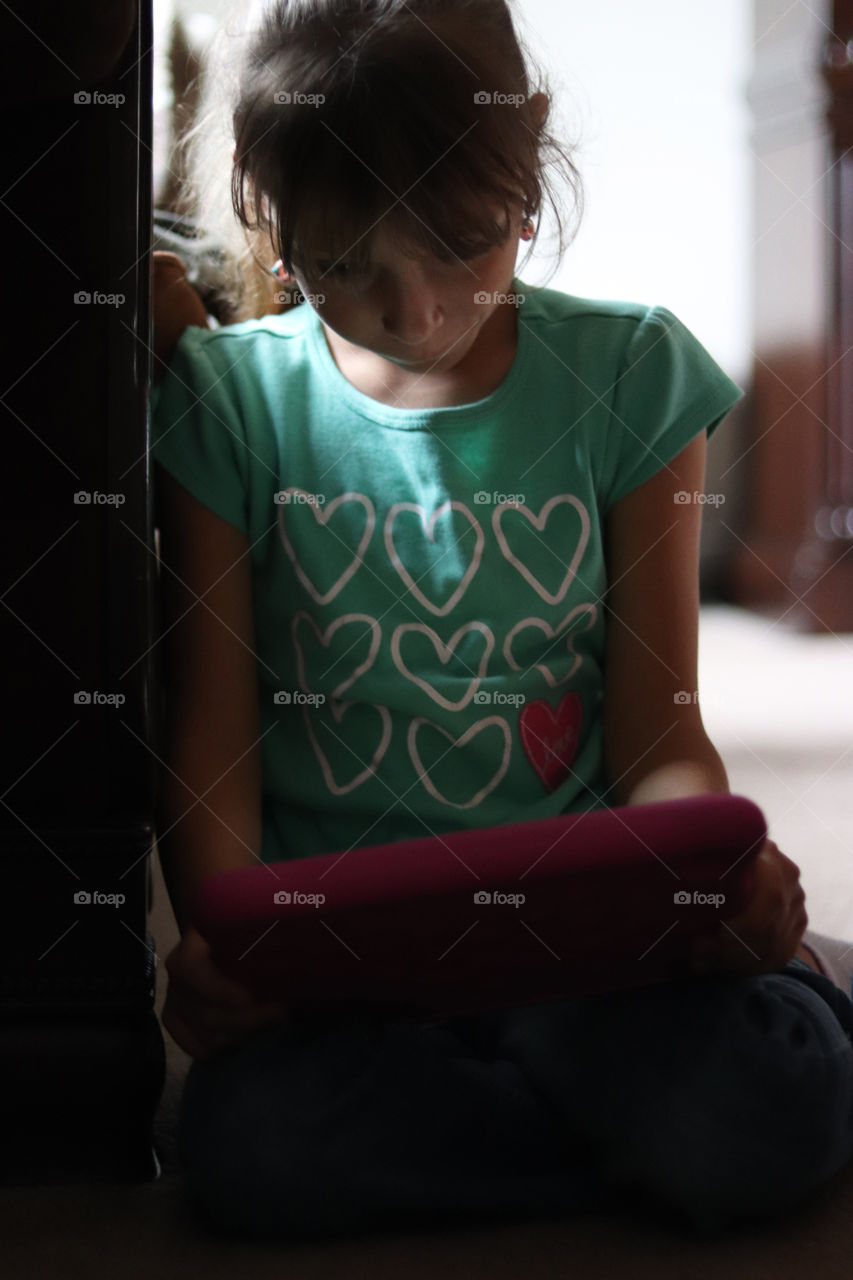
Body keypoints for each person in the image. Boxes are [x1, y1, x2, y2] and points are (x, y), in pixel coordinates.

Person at [150, 0, 853, 1243]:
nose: (413, 312)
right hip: (347, 985)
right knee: (245, 1148)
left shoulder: (632, 378)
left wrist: (705, 881)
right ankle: (618, 1137)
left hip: (591, 968)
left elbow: (661, 736)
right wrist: (231, 937)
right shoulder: (231, 405)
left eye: (460, 246)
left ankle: (765, 1022)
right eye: (345, 264)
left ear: (525, 178)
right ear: (272, 219)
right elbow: (212, 743)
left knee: (743, 1106)